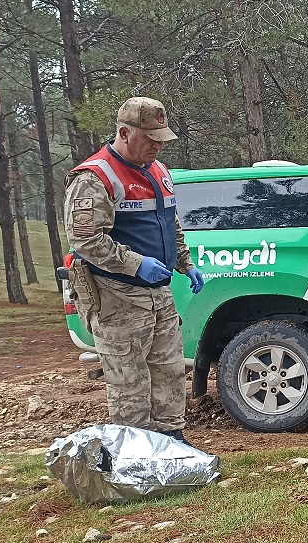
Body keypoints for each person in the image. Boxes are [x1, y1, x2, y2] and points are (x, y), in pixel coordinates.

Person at [63, 97, 204, 443]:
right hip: (117, 295)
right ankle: (135, 452)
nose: (157, 145)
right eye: (150, 138)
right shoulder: (94, 177)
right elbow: (86, 239)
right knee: (129, 378)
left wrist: (185, 262)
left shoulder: (159, 170)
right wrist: (137, 264)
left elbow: (171, 223)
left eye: (161, 138)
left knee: (169, 369)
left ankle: (172, 440)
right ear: (124, 133)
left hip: (158, 292)